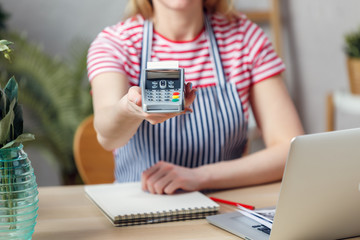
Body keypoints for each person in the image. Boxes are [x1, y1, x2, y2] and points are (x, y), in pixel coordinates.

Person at [87, 0, 304, 195]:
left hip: (227, 206)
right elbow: (108, 137)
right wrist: (130, 108)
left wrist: (200, 176)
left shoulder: (245, 38)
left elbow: (290, 150)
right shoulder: (116, 43)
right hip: (140, 209)